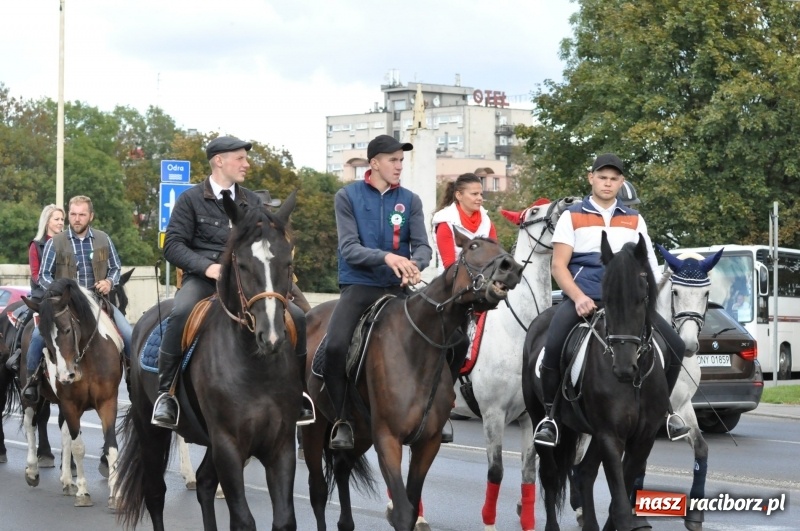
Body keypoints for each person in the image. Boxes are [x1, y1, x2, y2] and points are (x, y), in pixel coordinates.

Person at [151, 136, 311, 429]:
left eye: (245, 159)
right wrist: (208, 267)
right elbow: (172, 245)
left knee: (299, 316)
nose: (246, 164)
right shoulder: (190, 199)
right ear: (218, 161)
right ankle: (167, 393)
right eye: (240, 158)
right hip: (205, 280)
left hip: (250, 280)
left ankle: (299, 392)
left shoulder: (253, 200)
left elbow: (268, 241)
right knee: (180, 313)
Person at [533, 154, 690, 447]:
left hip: (626, 304)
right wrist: (577, 297)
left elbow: (650, 267)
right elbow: (558, 266)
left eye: (614, 178)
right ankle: (550, 417)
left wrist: (645, 300)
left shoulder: (634, 219)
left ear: (621, 182)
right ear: (591, 177)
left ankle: (663, 412)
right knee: (552, 347)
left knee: (676, 346)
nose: (608, 183)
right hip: (585, 298)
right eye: (602, 177)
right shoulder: (572, 216)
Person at [325, 134, 432, 450]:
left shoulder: (410, 200)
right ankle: (342, 419)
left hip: (399, 289)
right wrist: (387, 257)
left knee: (449, 339)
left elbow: (423, 245)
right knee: (334, 347)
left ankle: (438, 409)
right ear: (374, 163)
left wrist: (415, 264)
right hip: (360, 286)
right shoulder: (347, 196)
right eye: (393, 160)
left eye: (401, 160)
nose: (399, 166)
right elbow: (349, 249)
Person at [22, 196, 132, 402]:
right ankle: (32, 379)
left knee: (129, 334)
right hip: (66, 305)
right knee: (37, 336)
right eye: (73, 214)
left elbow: (116, 268)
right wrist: (57, 291)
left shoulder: (103, 239)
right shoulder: (56, 242)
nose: (77, 219)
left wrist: (109, 281)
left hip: (99, 302)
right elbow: (44, 275)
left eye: (82, 214)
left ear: (90, 216)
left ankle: (133, 380)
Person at [8, 205, 65, 375]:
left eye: (62, 219)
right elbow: (35, 274)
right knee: (27, 322)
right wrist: (53, 288)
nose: (61, 222)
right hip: (42, 294)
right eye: (57, 219)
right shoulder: (36, 245)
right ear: (47, 221)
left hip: (64, 294)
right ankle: (19, 354)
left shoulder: (67, 243)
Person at [432, 173, 497, 271]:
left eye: (481, 194)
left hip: (482, 281)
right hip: (451, 282)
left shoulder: (486, 221)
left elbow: (495, 256)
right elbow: (449, 266)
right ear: (459, 195)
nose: (480, 198)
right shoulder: (445, 222)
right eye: (474, 194)